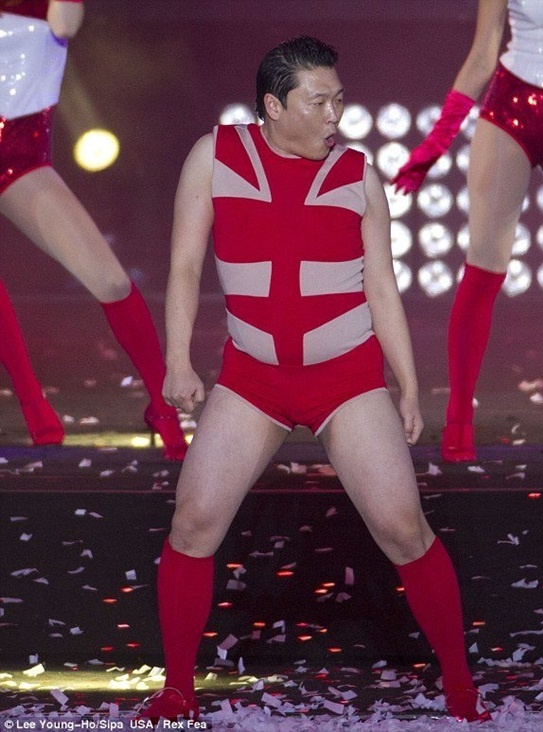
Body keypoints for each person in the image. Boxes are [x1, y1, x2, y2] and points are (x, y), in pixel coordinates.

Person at [138, 36, 489, 724]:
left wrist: (408, 386)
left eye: (339, 99)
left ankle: (460, 687)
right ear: (274, 106)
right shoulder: (214, 155)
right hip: (252, 382)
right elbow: (183, 265)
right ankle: (177, 691)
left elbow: (382, 288)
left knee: (403, 529)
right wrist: (176, 360)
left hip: (347, 380)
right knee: (193, 523)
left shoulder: (358, 176)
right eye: (319, 101)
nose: (335, 114)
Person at [392, 0, 543, 462]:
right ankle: (458, 419)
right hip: (513, 113)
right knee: (485, 266)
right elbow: (483, 54)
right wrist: (435, 144)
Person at [0, 0, 187, 459]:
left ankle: (161, 406)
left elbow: (65, 23)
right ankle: (32, 403)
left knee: (111, 282)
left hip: (19, 158)